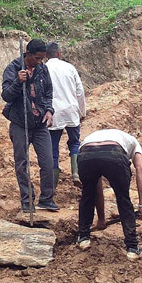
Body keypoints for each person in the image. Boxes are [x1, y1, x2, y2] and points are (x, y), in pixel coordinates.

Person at [2, 39, 59, 212]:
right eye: (37, 58)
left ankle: (46, 198)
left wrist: (49, 110)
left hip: (40, 123)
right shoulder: (13, 69)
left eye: (42, 58)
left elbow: (48, 92)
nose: (39, 62)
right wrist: (18, 82)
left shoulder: (42, 69)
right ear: (27, 54)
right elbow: (6, 96)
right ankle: (27, 201)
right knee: (22, 163)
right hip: (20, 124)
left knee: (48, 161)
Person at [75, 129, 142, 260]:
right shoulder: (134, 143)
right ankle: (132, 248)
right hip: (114, 153)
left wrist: (102, 220)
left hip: (86, 153)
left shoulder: (96, 136)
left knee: (87, 193)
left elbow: (96, 188)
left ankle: (83, 238)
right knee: (123, 198)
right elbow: (141, 169)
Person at [45, 42, 86, 187]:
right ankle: (76, 173)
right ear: (59, 54)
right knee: (75, 142)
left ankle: (53, 186)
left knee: (53, 148)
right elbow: (80, 92)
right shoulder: (70, 68)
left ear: (45, 56)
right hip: (71, 111)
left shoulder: (44, 68)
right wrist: (82, 112)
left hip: (53, 113)